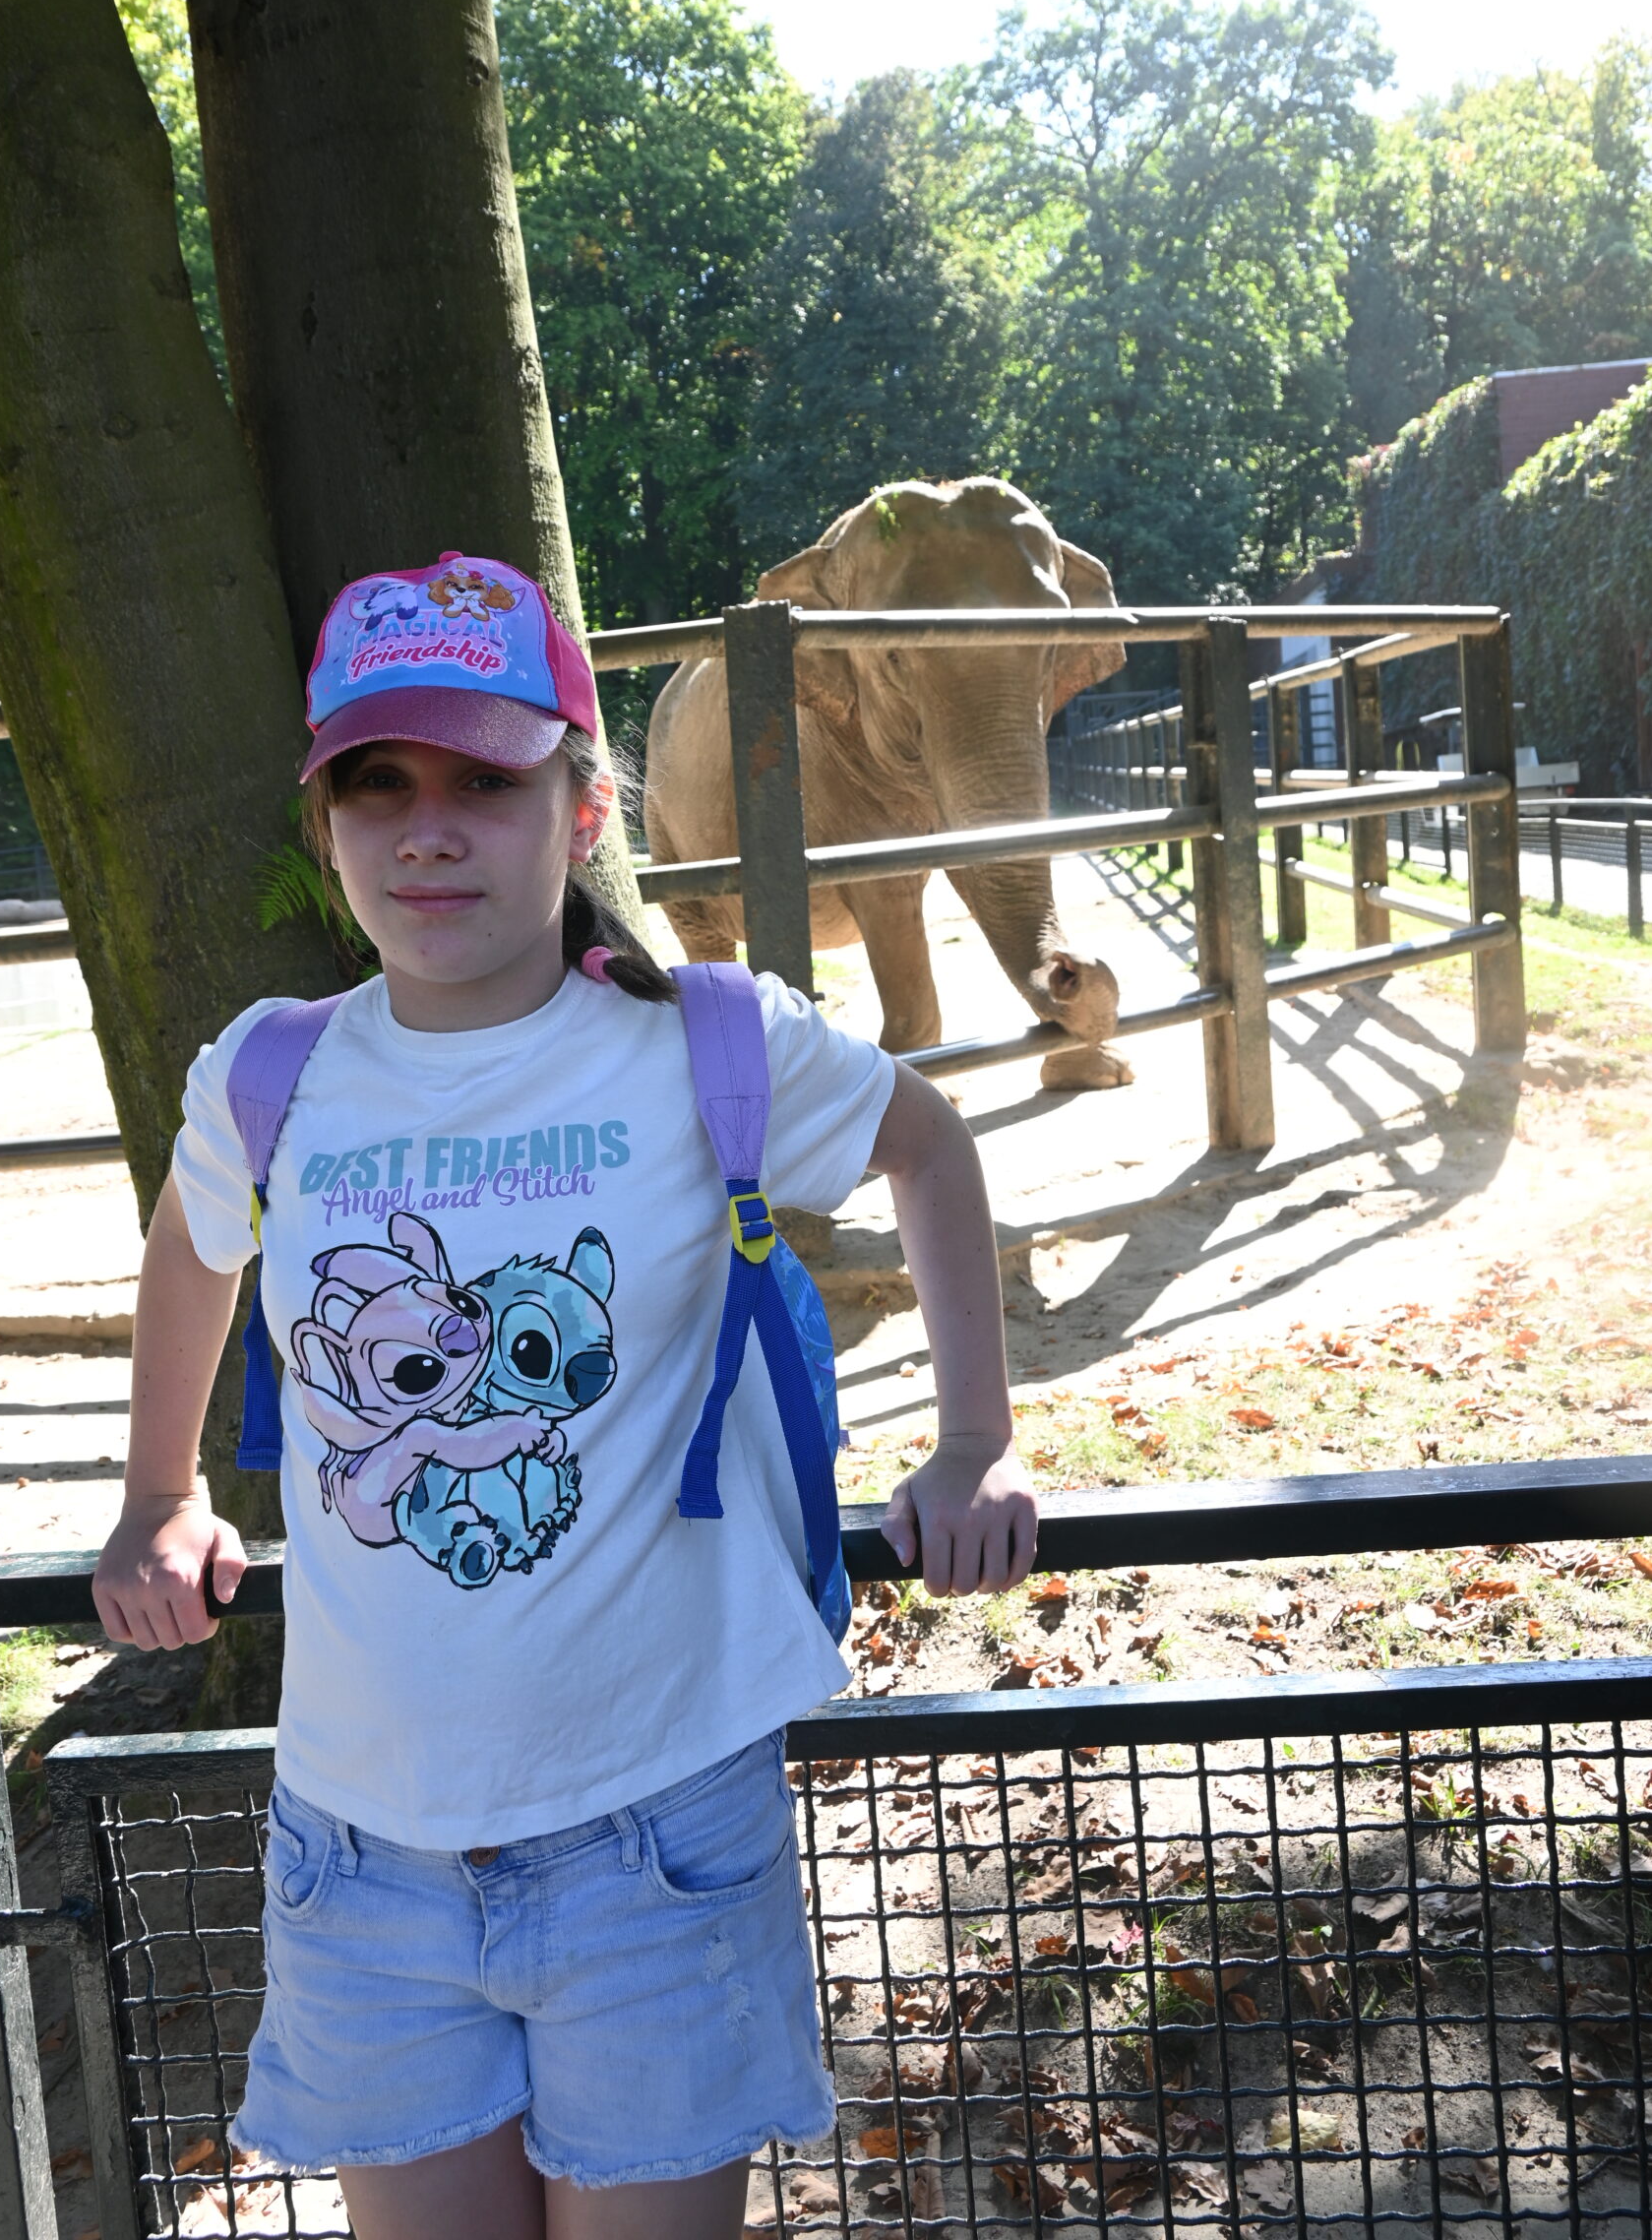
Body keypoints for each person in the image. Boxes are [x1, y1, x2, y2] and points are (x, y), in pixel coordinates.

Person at [92, 553, 1038, 2240]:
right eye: (377, 787)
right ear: (327, 828)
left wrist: (974, 1440)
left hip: (657, 1837)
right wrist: (160, 1491)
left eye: (484, 782)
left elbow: (928, 1146)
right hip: (361, 1854)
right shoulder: (270, 1073)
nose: (427, 833)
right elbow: (191, 1246)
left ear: (583, 810)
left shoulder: (707, 1046)